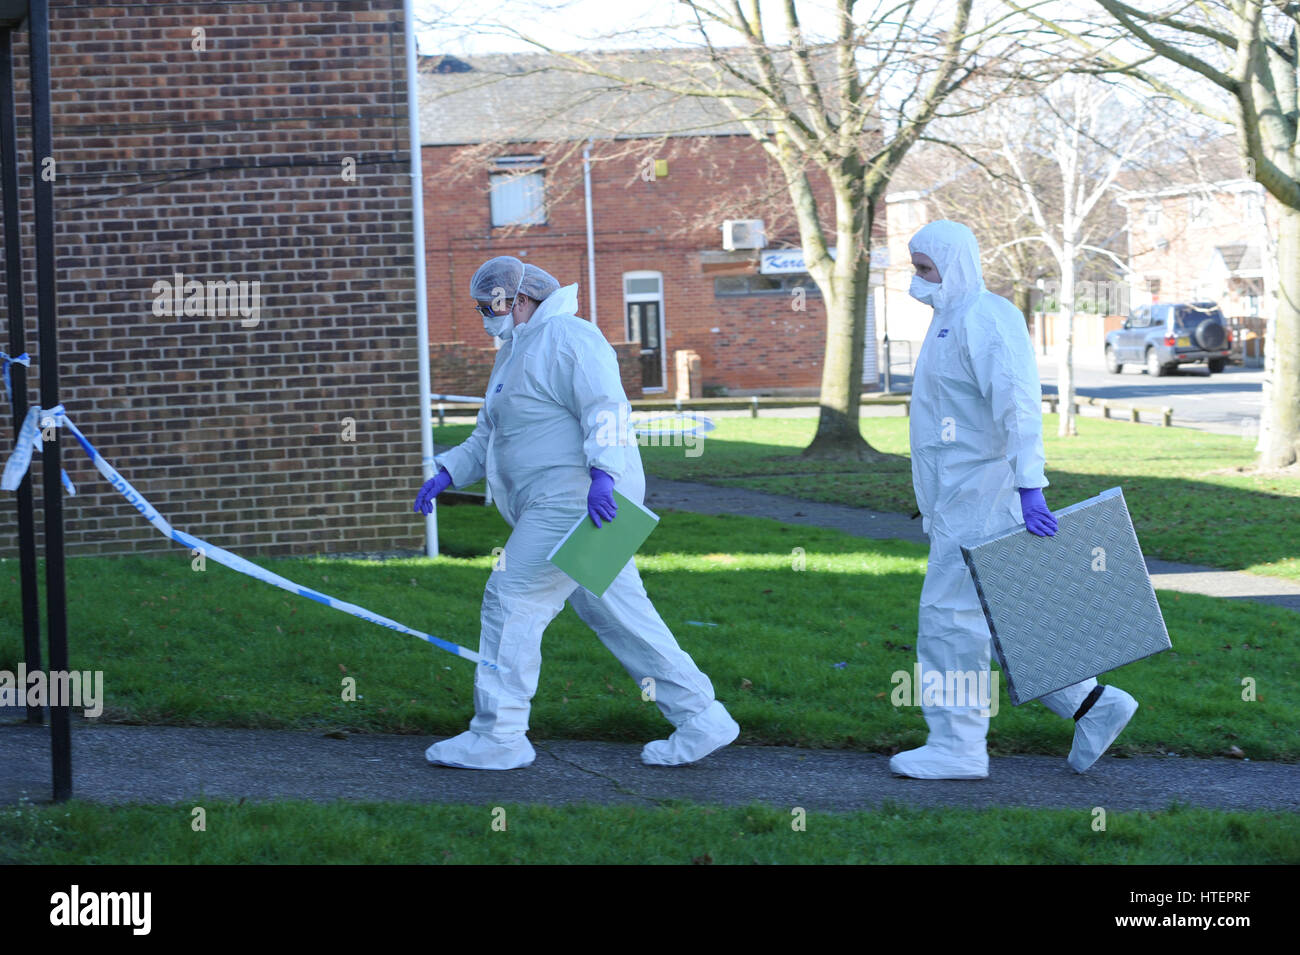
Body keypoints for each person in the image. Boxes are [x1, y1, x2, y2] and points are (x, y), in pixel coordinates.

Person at [413, 255, 739, 770]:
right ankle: (701, 717)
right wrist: (449, 472)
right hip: (577, 501)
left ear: (518, 300)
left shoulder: (570, 336)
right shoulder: (515, 352)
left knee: (512, 596)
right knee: (617, 613)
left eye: (487, 305)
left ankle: (499, 734)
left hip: (578, 500)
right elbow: (491, 435)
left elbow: (605, 406)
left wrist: (605, 474)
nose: (483, 315)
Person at [893, 220, 1139, 780]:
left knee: (948, 620)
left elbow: (1019, 406)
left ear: (955, 264)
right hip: (957, 497)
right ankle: (1093, 705)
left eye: (926, 268)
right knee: (1001, 611)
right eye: (915, 267)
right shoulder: (949, 322)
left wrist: (1031, 487)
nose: (918, 279)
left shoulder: (986, 317)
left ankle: (956, 745)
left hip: (982, 495)